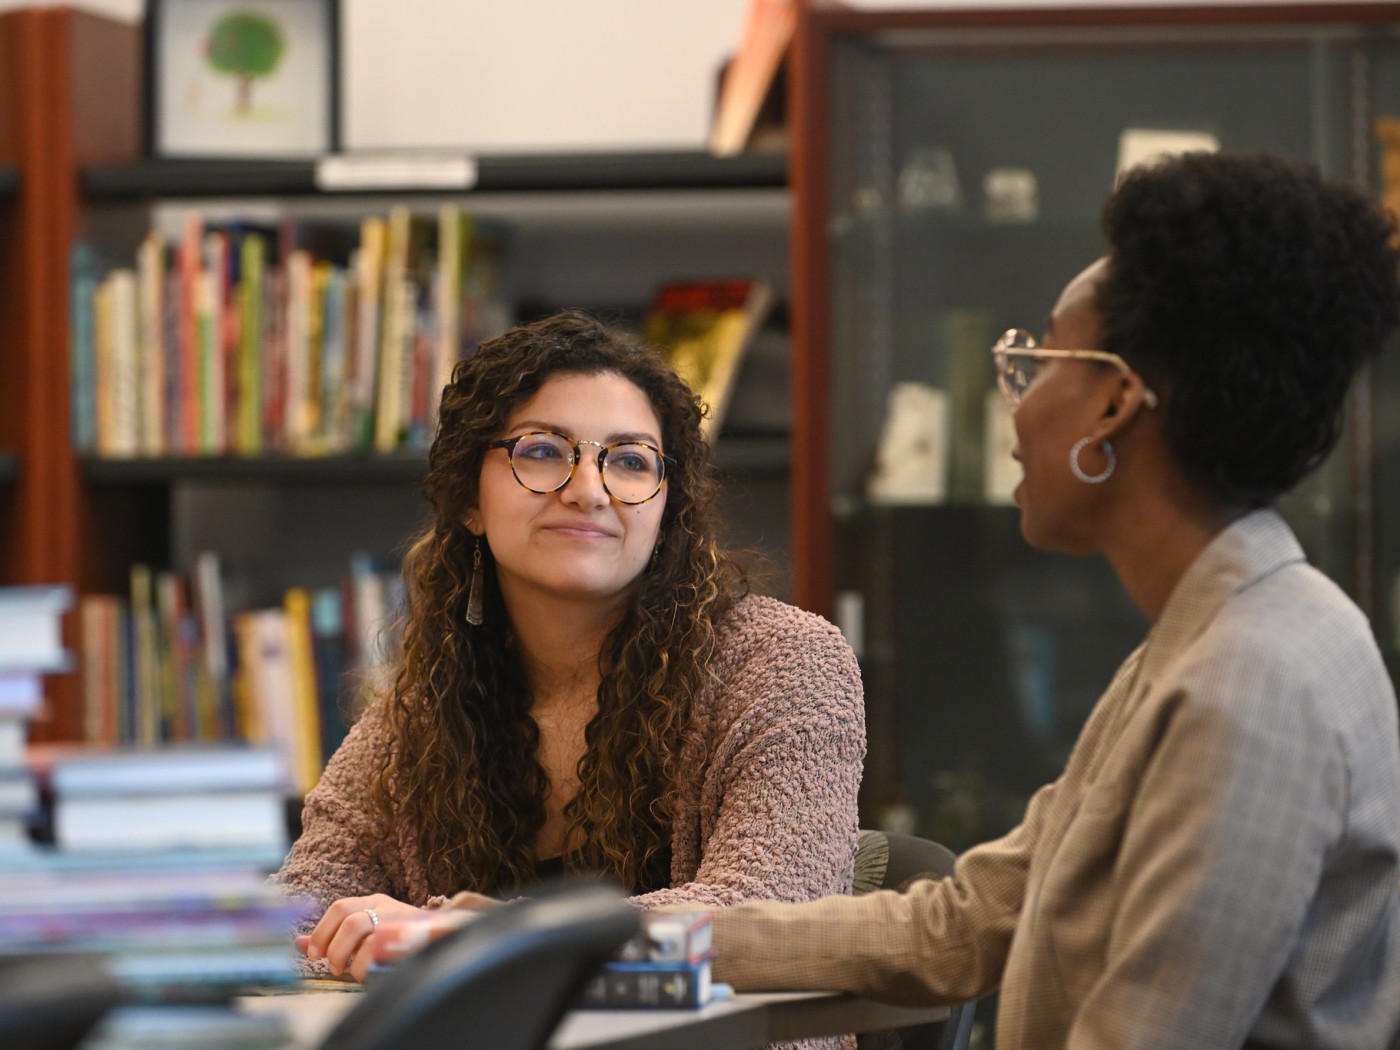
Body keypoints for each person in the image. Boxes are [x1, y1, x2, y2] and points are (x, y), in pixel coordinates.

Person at [710, 151, 1400, 1049]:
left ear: (1115, 403)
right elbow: (961, 925)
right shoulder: (1214, 635)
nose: (1016, 407)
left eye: (1035, 362)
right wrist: (638, 945)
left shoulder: (1249, 687)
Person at [277, 310, 865, 983]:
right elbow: (297, 915)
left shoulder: (782, 664)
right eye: (542, 451)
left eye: (631, 461)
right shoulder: (427, 706)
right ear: (469, 500)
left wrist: (478, 935)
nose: (588, 491)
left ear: (667, 510)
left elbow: (771, 912)